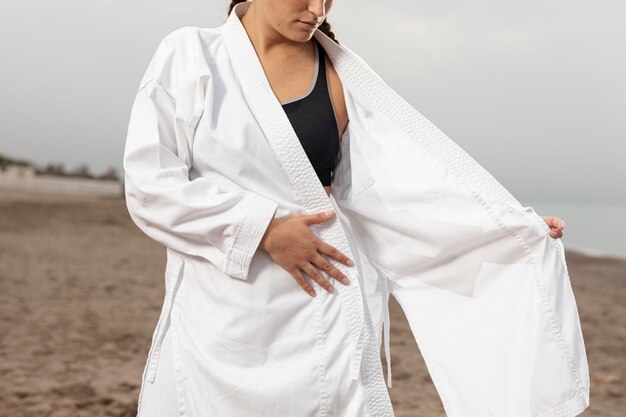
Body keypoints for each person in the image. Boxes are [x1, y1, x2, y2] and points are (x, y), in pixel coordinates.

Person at [123, 1, 587, 416]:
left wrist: (503, 229)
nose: (317, 9)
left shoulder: (339, 72)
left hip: (322, 304)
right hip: (219, 312)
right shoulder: (189, 56)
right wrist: (263, 228)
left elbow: (389, 195)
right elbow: (150, 186)